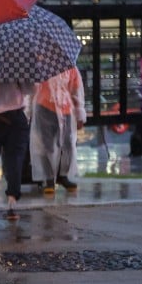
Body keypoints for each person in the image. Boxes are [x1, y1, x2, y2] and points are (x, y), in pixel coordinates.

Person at [0, 74, 36, 221]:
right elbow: (30, 89)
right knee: (15, 159)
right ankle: (12, 204)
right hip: (17, 118)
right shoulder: (19, 63)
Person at [30, 65, 86, 194]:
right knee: (46, 145)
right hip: (44, 108)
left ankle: (63, 175)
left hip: (65, 109)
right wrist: (28, 112)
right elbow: (32, 88)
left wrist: (79, 113)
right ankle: (49, 178)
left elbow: (76, 90)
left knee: (67, 144)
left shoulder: (70, 66)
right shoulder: (39, 65)